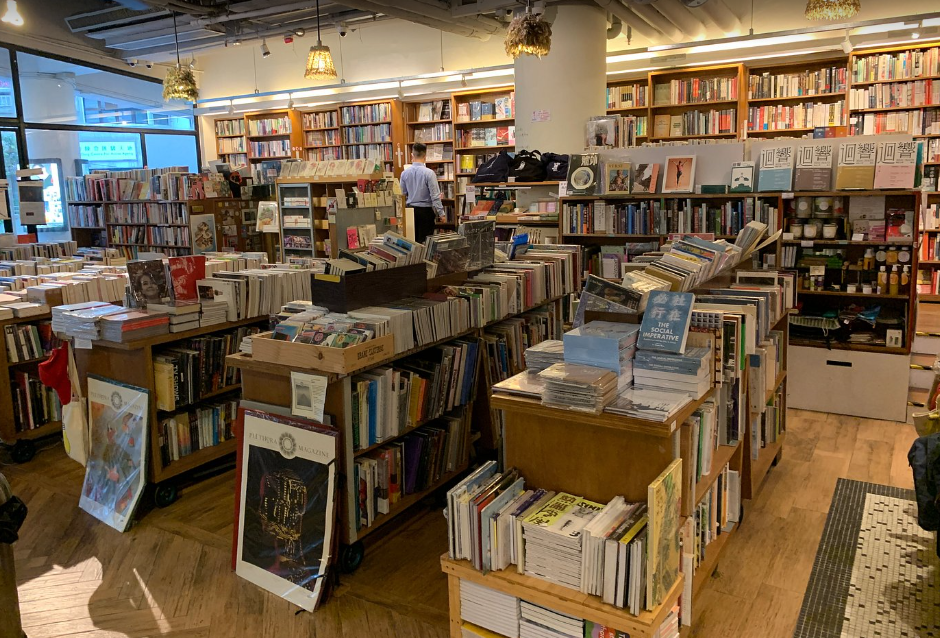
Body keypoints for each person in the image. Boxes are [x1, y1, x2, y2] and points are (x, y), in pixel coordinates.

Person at [400, 142, 445, 244]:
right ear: (425, 156)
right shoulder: (429, 173)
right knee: (425, 243)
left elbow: (402, 194)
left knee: (412, 241)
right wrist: (441, 213)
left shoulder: (404, 173)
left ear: (412, 155)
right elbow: (435, 196)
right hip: (425, 212)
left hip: (410, 211)